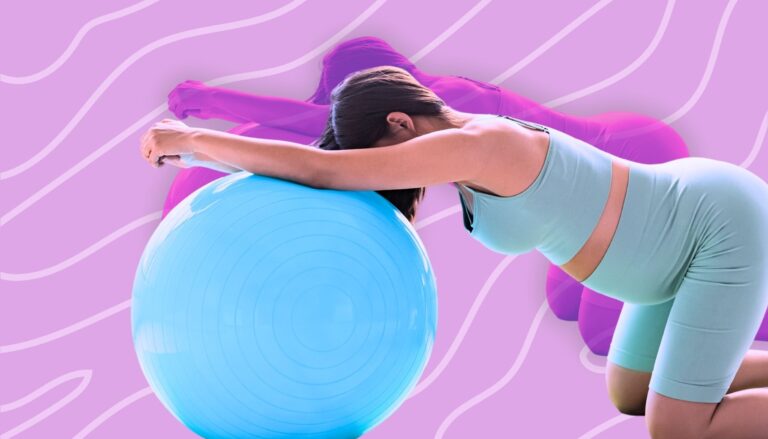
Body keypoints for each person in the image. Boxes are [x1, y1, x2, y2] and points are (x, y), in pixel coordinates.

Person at [140, 66, 768, 439]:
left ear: (400, 123)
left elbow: (325, 172)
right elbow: (321, 163)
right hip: (659, 266)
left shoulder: (483, 144)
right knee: (631, 396)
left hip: (714, 230)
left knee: (677, 428)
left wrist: (197, 139)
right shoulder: (462, 150)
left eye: (381, 152)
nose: (389, 170)